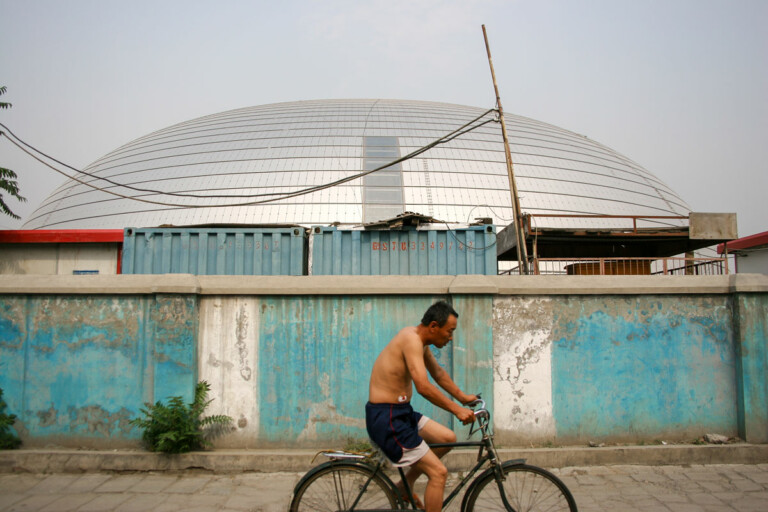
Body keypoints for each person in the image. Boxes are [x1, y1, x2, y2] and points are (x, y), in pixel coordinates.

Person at [366, 300, 477, 512]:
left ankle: (404, 486)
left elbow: (438, 374)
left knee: (447, 439)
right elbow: (423, 387)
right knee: (438, 473)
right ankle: (407, 487)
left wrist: (463, 398)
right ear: (434, 326)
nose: (451, 337)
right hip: (387, 419)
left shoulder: (420, 341)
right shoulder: (411, 339)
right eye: (449, 331)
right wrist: (457, 410)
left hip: (400, 413)